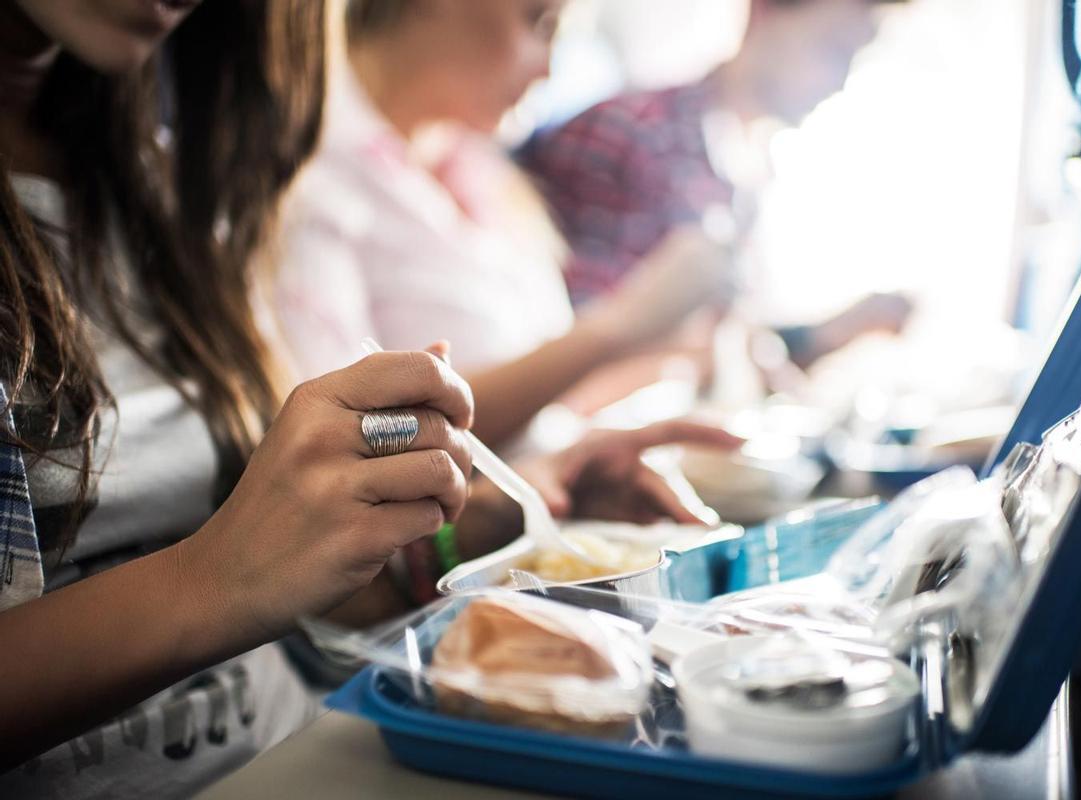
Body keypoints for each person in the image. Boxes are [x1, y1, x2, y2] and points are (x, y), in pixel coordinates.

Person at [0, 1, 738, 795]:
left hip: (320, 742)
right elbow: (234, 579)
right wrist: (220, 576)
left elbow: (306, 606)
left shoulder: (160, 183)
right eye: (537, 21)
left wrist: (472, 520)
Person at [275, 0, 737, 450]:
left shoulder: (479, 168)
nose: (549, 70)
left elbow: (537, 422)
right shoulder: (308, 179)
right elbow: (348, 440)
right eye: (538, 22)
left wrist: (665, 360)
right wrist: (619, 325)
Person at [520, 0, 913, 369]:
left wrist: (829, 334)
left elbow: (722, 358)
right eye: (832, 51)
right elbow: (570, 353)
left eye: (854, 59)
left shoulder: (750, 180)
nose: (839, 82)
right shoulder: (631, 133)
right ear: (762, 12)